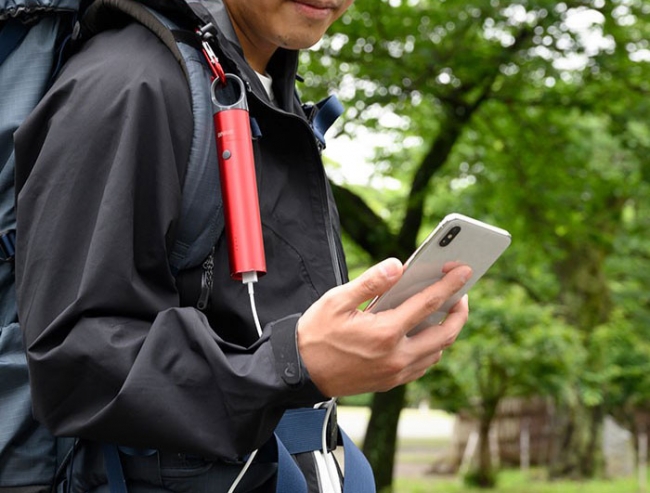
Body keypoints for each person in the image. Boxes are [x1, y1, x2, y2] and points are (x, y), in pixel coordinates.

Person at [13, 0, 471, 491]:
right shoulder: (130, 81)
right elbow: (77, 361)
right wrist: (291, 366)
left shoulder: (265, 88)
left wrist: (351, 347)